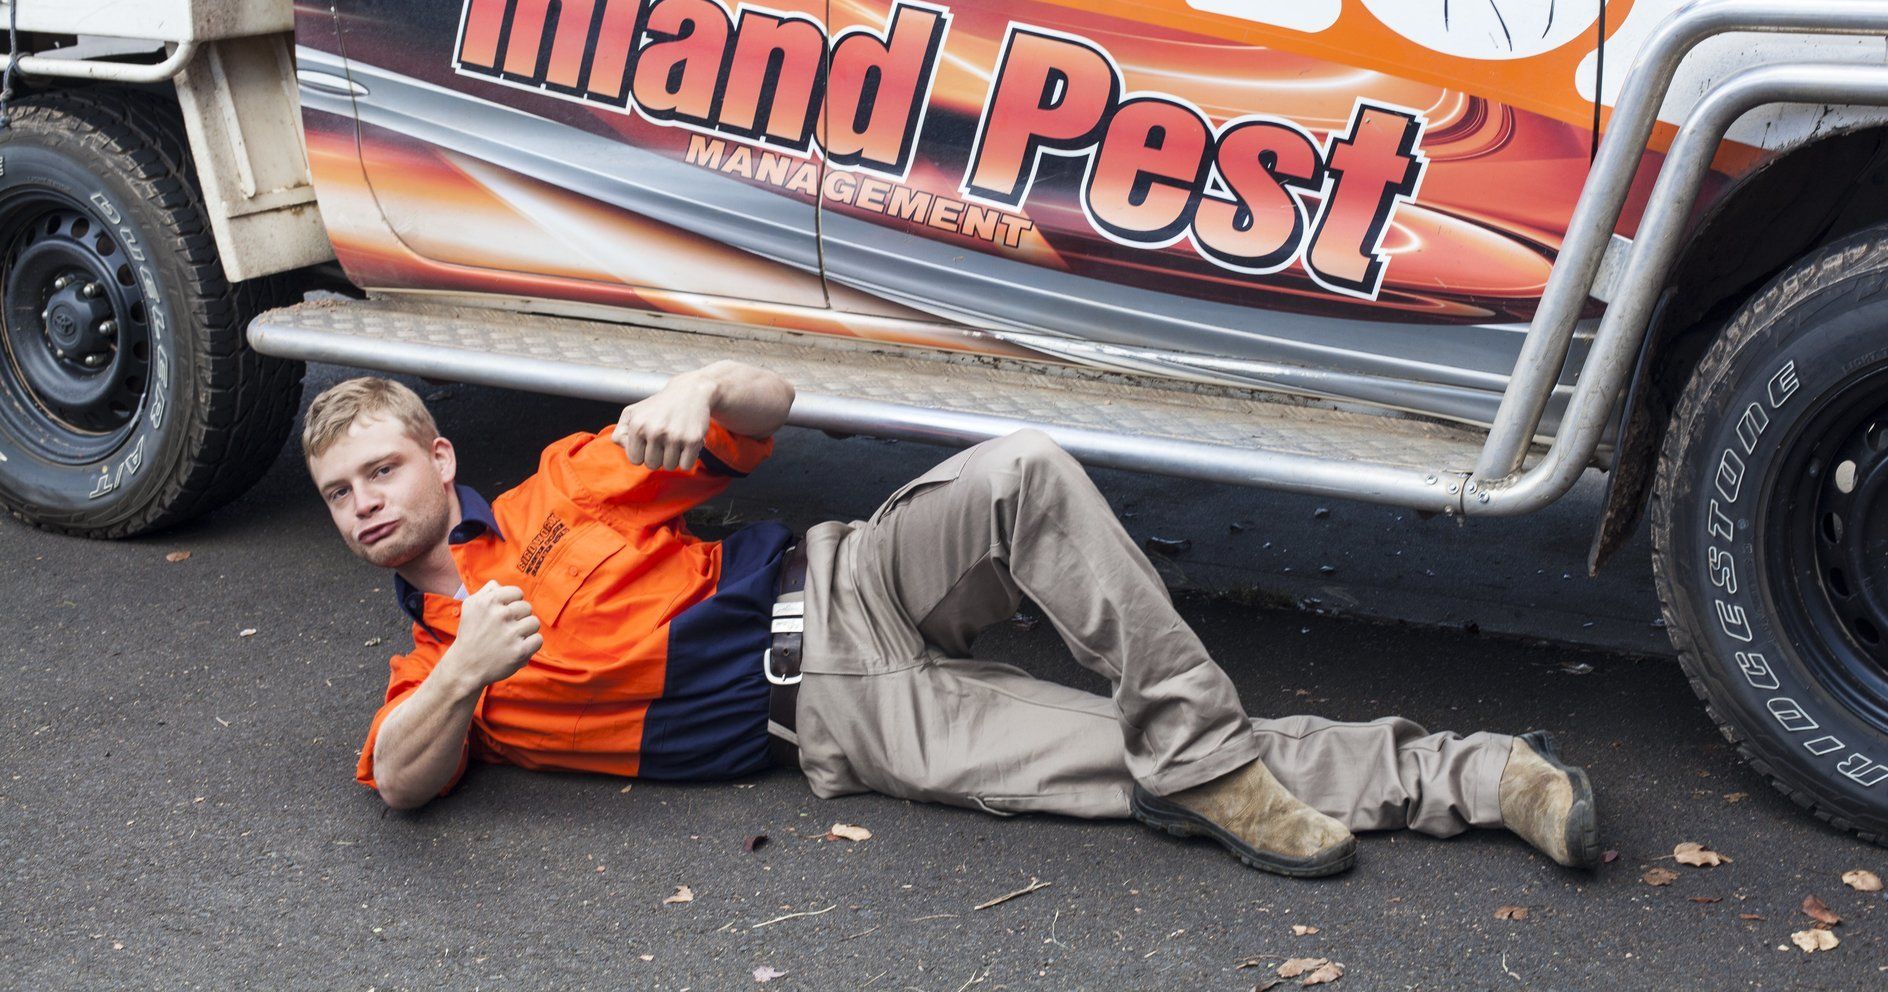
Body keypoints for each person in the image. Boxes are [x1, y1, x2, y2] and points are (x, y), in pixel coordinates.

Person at [306, 361, 1599, 877]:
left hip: (850, 572)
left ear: (435, 453)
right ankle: (1483, 777)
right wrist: (469, 672)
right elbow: (402, 784)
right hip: (840, 712)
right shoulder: (424, 677)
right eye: (338, 494)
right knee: (1113, 756)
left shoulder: (564, 482)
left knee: (1022, 469)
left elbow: (767, 406)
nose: (365, 503)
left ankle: (1200, 759)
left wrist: (708, 377)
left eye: (380, 469)